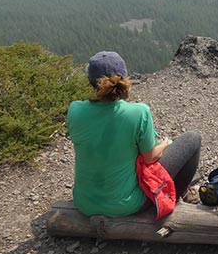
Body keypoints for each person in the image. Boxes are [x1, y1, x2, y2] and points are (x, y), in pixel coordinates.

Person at [67, 51, 201, 217]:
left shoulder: (75, 110)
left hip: (85, 203)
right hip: (127, 204)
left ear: (91, 82)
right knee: (193, 138)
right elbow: (150, 157)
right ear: (123, 80)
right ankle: (175, 197)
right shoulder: (138, 112)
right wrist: (166, 143)